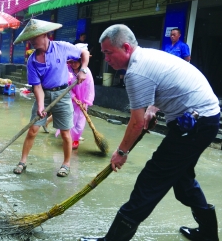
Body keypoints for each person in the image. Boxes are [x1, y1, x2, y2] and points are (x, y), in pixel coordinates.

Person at [80, 24, 220, 241]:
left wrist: (122, 152)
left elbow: (135, 123)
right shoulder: (146, 57)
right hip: (201, 119)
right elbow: (163, 85)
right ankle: (208, 234)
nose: (106, 59)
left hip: (196, 123)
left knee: (150, 181)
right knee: (182, 180)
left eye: (108, 53)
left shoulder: (136, 72)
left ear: (126, 47)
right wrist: (153, 109)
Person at [12, 19, 90, 177]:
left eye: (34, 38)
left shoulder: (61, 47)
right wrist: (41, 105)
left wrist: (83, 69)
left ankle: (66, 164)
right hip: (45, 94)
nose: (32, 42)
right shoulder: (32, 61)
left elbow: (84, 53)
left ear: (44, 35)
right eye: (30, 39)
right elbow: (37, 86)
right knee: (33, 130)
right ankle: (23, 161)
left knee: (65, 132)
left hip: (62, 94)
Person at [65, 43, 95, 150]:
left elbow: (89, 88)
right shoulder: (67, 70)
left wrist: (84, 101)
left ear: (81, 60)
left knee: (80, 122)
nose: (73, 64)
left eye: (75, 62)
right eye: (71, 62)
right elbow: (65, 86)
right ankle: (68, 138)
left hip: (82, 100)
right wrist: (73, 97)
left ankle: (76, 139)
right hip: (70, 99)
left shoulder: (87, 73)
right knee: (70, 119)